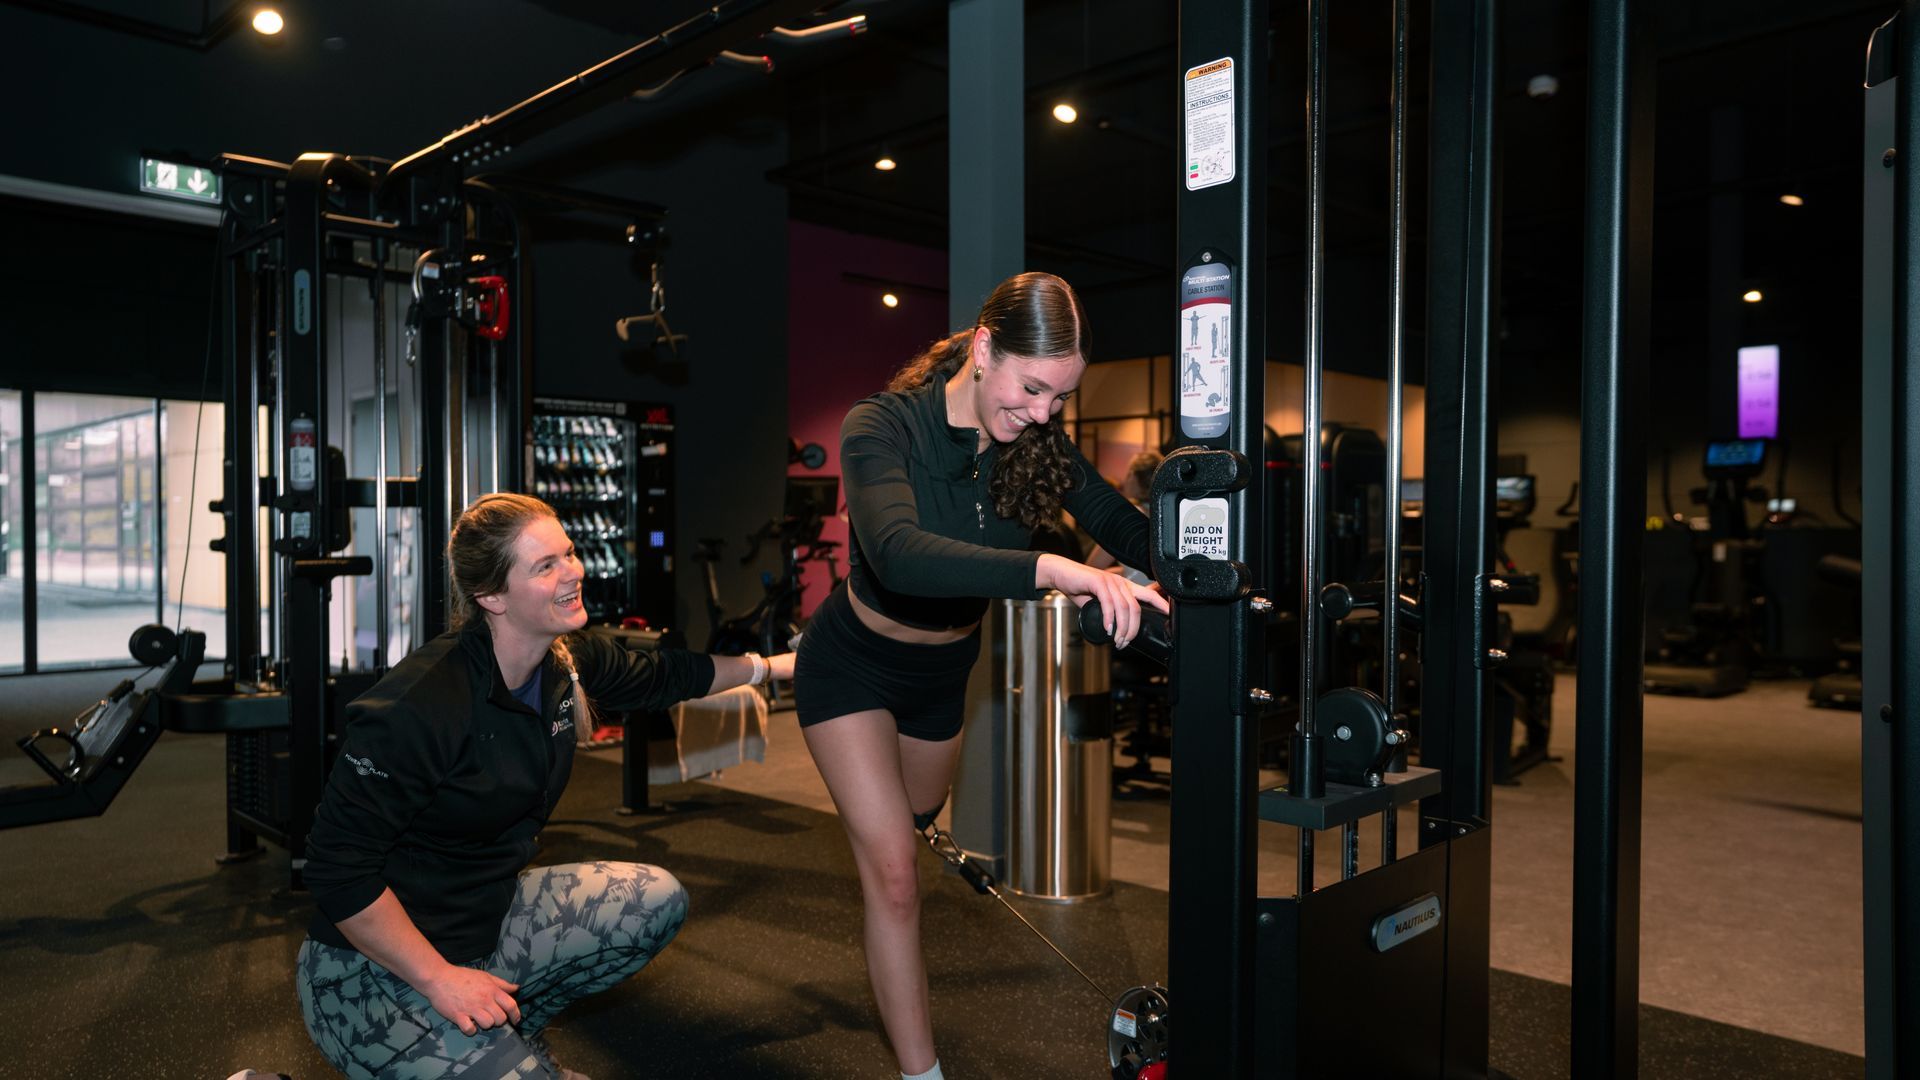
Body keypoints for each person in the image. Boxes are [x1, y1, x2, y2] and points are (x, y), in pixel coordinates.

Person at [794, 271, 1166, 1080]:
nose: (1040, 412)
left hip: (941, 674)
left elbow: (1114, 519)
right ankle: (922, 1075)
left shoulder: (1033, 441)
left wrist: (1210, 575)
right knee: (893, 876)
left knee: (918, 822)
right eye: (1032, 387)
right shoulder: (880, 427)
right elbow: (896, 553)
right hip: (851, 665)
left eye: (1059, 399)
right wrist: (1056, 569)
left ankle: (893, 824)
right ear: (983, 347)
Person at [296, 492, 793, 1080]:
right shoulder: (421, 705)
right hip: (369, 972)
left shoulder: (565, 663)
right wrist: (440, 979)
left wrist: (780, 667)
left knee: (652, 900)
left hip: (485, 922)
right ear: (491, 596)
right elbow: (335, 868)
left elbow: (669, 676)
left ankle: (507, 1044)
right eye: (546, 565)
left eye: (570, 553)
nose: (574, 572)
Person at [1087, 449, 1163, 581]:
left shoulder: (1127, 517)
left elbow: (1092, 568)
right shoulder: (1163, 516)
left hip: (1137, 598)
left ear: (1133, 476)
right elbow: (1138, 572)